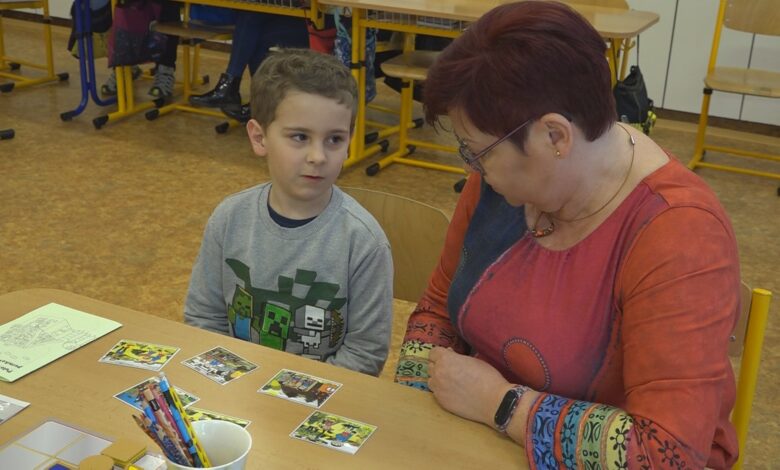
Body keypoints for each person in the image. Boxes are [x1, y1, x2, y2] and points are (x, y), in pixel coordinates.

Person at [393, 2, 740, 468]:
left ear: (555, 136)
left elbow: (667, 453)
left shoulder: (679, 235)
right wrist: (410, 417)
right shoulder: (503, 181)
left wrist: (503, 405)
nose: (472, 167)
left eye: (478, 153)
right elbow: (438, 310)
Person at [185, 49, 393, 376]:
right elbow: (203, 318)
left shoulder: (364, 242)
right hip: (234, 387)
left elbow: (365, 353)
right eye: (300, 137)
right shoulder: (229, 218)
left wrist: (285, 395)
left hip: (320, 396)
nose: (318, 156)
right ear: (259, 138)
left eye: (334, 139)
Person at [188, 11, 310, 122]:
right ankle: (256, 99)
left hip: (313, 25)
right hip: (293, 16)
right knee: (250, 19)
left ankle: (239, 92)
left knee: (252, 27)